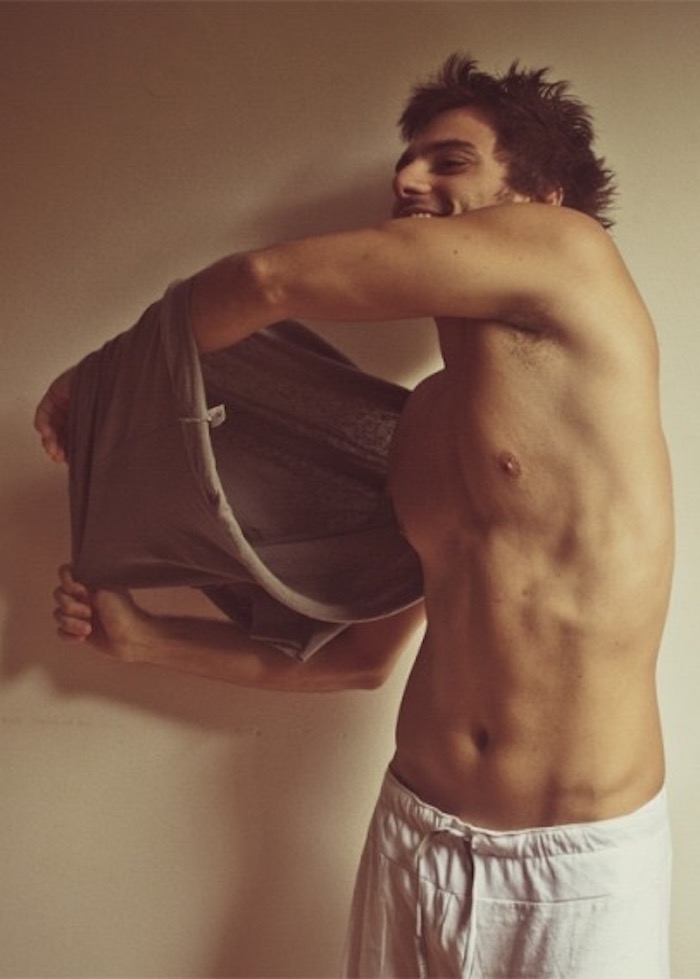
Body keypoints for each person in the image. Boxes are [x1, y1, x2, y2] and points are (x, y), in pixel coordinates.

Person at [35, 55, 674, 977]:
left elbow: (267, 281)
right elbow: (361, 659)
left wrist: (103, 382)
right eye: (406, 163)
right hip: (414, 832)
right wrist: (146, 640)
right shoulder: (419, 425)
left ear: (541, 195)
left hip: (573, 869)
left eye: (449, 161)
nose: (408, 179)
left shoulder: (572, 250)